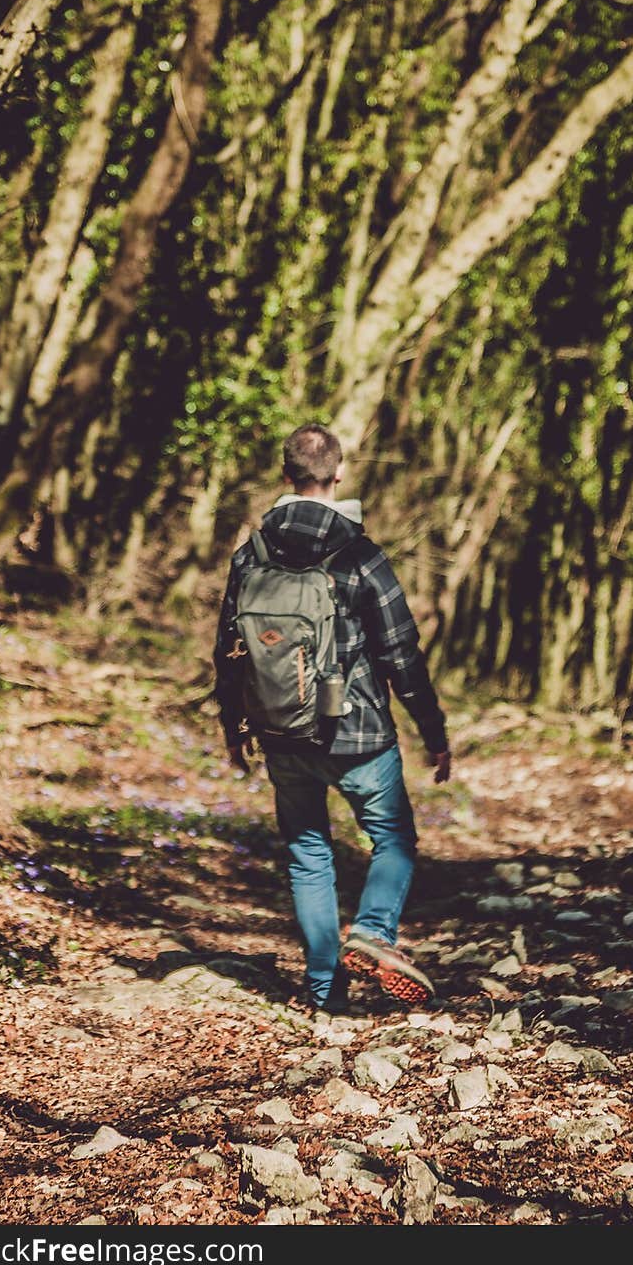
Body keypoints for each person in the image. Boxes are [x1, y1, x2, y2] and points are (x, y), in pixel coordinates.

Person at [213, 423, 450, 1013]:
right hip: (360, 734)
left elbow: (229, 649)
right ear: (339, 474)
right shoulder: (360, 554)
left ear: (285, 474)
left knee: (307, 851)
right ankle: (373, 931)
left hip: (281, 733)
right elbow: (401, 654)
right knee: (393, 838)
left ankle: (323, 993)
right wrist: (433, 733)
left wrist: (233, 727)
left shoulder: (254, 552)